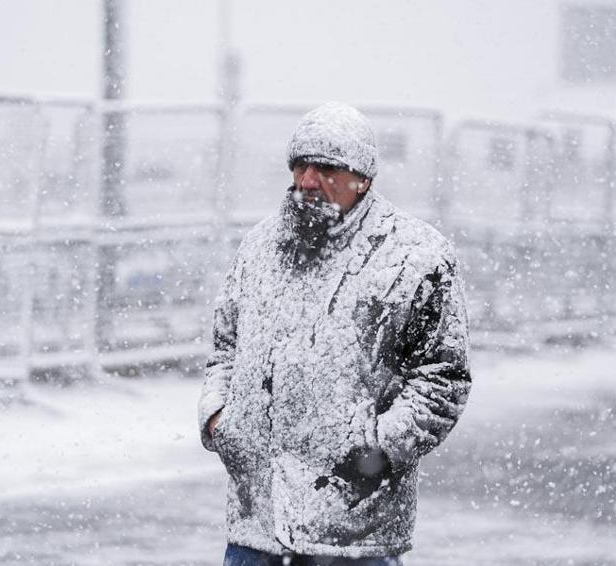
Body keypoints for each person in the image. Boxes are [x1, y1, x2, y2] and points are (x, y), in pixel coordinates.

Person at [198, 102, 471, 566]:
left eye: (325, 168)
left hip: (353, 532)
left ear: (362, 176)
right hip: (255, 528)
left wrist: (378, 450)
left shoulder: (416, 257)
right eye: (300, 166)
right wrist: (220, 420)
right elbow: (226, 349)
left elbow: (442, 380)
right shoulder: (259, 248)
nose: (307, 181)